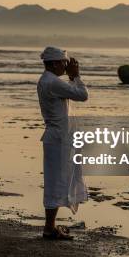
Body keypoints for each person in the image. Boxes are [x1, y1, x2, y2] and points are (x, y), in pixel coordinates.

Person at [37, 46, 89, 240]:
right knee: (55, 183)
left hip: (57, 137)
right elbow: (83, 95)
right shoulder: (52, 82)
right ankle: (49, 229)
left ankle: (50, 227)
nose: (66, 66)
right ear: (54, 63)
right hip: (58, 139)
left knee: (56, 181)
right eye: (63, 63)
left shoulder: (47, 81)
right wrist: (76, 76)